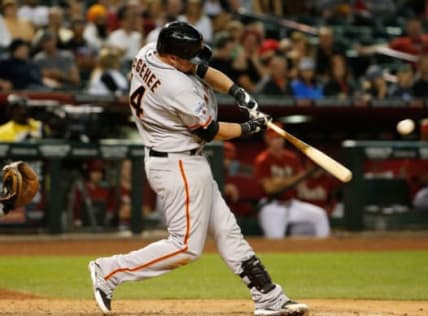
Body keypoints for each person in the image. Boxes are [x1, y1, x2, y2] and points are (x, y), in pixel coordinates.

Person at [88, 21, 308, 316]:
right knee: (186, 247)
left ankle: (268, 297)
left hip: (181, 159)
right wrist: (250, 127)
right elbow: (210, 131)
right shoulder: (175, 88)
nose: (194, 60)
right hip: (177, 163)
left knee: (228, 233)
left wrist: (237, 92)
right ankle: (109, 270)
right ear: (173, 58)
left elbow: (199, 69)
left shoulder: (149, 51)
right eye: (187, 56)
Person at [254, 123, 331, 239]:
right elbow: (269, 188)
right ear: (267, 139)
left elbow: (300, 181)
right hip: (271, 205)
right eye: (274, 138)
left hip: (292, 203)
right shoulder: (262, 160)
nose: (278, 141)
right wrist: (291, 180)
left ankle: (326, 250)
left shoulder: (291, 157)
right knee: (275, 241)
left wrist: (279, 182)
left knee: (319, 215)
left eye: (280, 137)